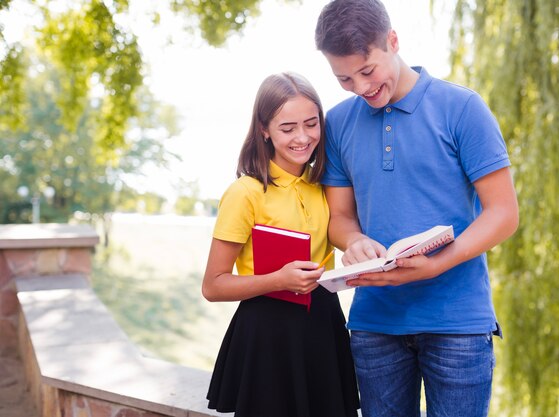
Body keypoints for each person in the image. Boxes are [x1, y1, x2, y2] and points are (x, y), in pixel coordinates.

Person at [314, 1, 519, 417]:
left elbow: (503, 213)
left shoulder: (462, 108)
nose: (360, 87)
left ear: (393, 41)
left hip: (457, 324)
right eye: (344, 79)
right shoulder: (337, 123)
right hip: (375, 324)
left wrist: (438, 263)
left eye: (367, 71)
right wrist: (353, 241)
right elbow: (340, 218)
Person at [201, 72, 360, 417]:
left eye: (311, 124)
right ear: (264, 129)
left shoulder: (325, 185)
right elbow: (213, 286)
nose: (303, 138)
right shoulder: (245, 193)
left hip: (323, 326)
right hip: (267, 336)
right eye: (288, 129)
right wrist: (279, 280)